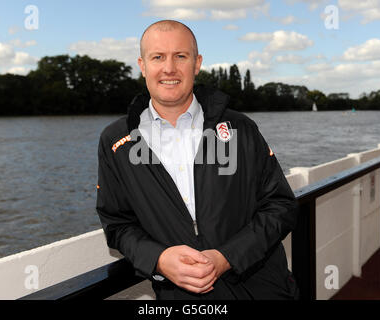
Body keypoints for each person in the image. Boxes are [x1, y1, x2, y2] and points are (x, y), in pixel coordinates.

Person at [96, 20, 299, 300]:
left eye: (180, 56)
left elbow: (281, 205)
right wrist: (159, 259)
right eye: (158, 57)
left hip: (263, 290)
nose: (169, 68)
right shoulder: (116, 142)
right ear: (142, 65)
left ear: (197, 63)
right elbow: (118, 224)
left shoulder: (240, 129)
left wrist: (227, 257)